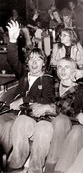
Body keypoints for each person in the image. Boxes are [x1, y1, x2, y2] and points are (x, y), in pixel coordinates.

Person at [0, 20, 55, 172]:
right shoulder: (24, 75)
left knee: (20, 123)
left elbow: (48, 101)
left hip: (30, 117)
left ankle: (16, 164)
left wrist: (24, 100)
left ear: (44, 64)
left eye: (38, 59)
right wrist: (12, 40)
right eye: (31, 59)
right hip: (13, 114)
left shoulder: (48, 80)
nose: (34, 62)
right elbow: (12, 59)